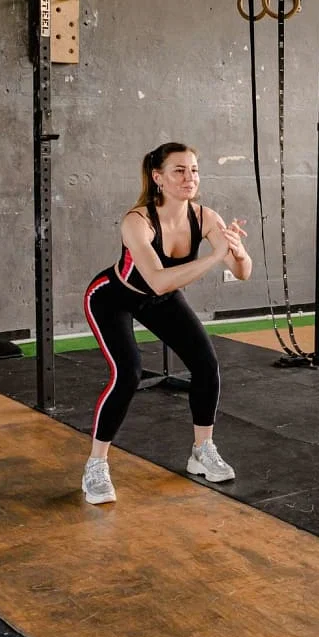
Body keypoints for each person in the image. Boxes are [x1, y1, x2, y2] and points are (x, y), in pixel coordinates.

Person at [81, 142, 253, 504]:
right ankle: (96, 465)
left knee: (206, 365)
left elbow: (242, 272)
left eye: (194, 170)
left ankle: (201, 451)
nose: (189, 178)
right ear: (158, 177)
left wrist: (235, 252)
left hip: (161, 299)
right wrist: (215, 256)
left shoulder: (205, 217)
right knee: (128, 373)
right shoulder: (137, 220)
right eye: (179, 170)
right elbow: (158, 279)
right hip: (113, 297)